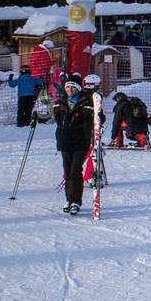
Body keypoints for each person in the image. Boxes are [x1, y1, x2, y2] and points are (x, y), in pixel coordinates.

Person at [53, 74, 96, 214]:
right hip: (65, 141)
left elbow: (97, 116)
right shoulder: (61, 102)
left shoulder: (87, 102)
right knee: (67, 171)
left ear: (78, 88)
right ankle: (69, 199)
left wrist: (99, 117)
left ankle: (76, 201)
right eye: (67, 87)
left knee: (75, 171)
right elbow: (51, 117)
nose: (70, 89)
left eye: (72, 87)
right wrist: (38, 116)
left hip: (80, 141)